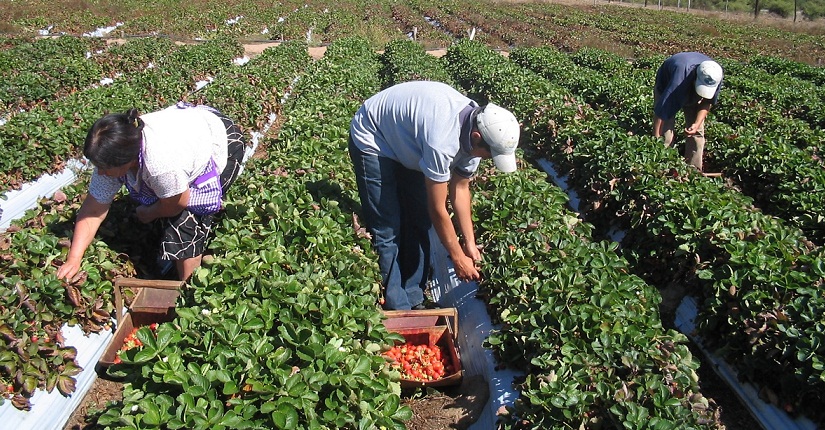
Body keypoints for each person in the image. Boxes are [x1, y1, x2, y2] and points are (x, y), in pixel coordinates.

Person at [348, 81, 520, 310]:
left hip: (409, 140)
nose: (488, 159)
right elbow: (438, 209)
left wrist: (469, 243)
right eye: (490, 154)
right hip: (374, 136)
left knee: (419, 220)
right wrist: (457, 258)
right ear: (477, 137)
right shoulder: (442, 140)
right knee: (388, 226)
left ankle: (414, 296)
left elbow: (460, 189)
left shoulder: (479, 131)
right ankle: (396, 305)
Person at [56, 102, 245, 282]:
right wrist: (74, 258)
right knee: (160, 202)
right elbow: (92, 211)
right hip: (189, 138)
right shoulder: (113, 154)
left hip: (220, 139)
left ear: (127, 161)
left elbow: (177, 203)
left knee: (184, 221)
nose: (101, 172)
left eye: (105, 168)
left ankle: (191, 289)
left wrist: (150, 212)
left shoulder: (160, 165)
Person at [653, 52, 724, 172]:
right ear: (696, 78)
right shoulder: (678, 81)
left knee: (697, 133)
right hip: (668, 83)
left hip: (689, 82)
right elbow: (661, 113)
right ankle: (661, 166)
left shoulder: (715, 76)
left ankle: (694, 170)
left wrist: (696, 124)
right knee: (666, 133)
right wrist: (655, 138)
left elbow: (707, 102)